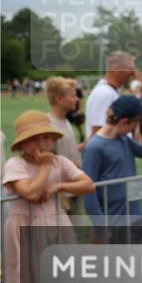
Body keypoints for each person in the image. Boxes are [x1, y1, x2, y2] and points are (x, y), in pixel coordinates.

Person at [3, 111, 95, 283]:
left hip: (57, 228)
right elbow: (30, 192)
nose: (43, 144)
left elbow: (87, 185)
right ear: (22, 144)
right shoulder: (15, 164)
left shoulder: (60, 161)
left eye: (46, 137)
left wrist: (59, 186)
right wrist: (43, 169)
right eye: (35, 139)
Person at [81, 95, 142, 242]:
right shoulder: (95, 147)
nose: (137, 125)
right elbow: (88, 190)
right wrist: (100, 227)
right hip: (113, 223)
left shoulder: (124, 140)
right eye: (136, 122)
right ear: (124, 122)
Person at [44, 77, 83, 213]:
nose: (77, 99)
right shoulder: (48, 125)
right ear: (59, 99)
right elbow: (46, 162)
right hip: (59, 195)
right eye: (73, 96)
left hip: (72, 190)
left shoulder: (65, 122)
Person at [84, 51, 136, 138]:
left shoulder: (110, 91)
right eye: (130, 69)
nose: (133, 73)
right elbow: (99, 131)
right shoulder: (104, 93)